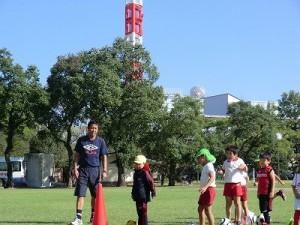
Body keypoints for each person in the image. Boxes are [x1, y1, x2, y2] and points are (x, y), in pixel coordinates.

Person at [70, 120, 108, 225]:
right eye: (92, 128)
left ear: (97, 129)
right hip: (82, 170)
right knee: (80, 194)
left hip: (95, 170)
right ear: (88, 128)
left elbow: (104, 156)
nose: (94, 130)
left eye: (95, 128)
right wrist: (75, 168)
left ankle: (93, 216)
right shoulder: (81, 140)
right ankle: (78, 218)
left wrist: (104, 170)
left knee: (94, 195)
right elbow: (76, 156)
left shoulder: (101, 141)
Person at [217, 144, 247, 225]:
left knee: (237, 203)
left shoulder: (240, 160)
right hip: (227, 185)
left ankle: (238, 220)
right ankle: (228, 220)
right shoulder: (225, 162)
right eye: (227, 153)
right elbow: (222, 171)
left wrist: (243, 166)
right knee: (228, 203)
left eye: (230, 153)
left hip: (237, 184)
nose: (228, 155)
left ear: (235, 154)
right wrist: (220, 172)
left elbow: (245, 168)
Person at [131, 155, 156, 225]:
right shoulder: (136, 174)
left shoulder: (145, 173)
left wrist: (153, 191)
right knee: (140, 214)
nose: (137, 165)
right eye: (136, 164)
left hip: (143, 197)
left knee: (143, 214)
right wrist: (132, 193)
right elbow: (135, 185)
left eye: (139, 164)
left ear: (143, 164)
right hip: (137, 197)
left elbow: (151, 182)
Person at [196, 148, 216, 225]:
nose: (198, 161)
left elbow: (212, 177)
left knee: (207, 210)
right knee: (200, 209)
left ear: (203, 156)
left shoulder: (209, 165)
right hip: (205, 190)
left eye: (198, 158)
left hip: (209, 189)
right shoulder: (205, 166)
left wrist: (205, 187)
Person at [256, 152, 275, 225]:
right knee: (262, 209)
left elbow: (273, 180)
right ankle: (266, 222)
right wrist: (258, 192)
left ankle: (267, 223)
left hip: (267, 193)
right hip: (261, 193)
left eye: (264, 160)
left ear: (269, 161)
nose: (262, 161)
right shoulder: (260, 170)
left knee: (265, 209)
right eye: (261, 160)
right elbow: (260, 183)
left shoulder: (270, 170)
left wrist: (272, 191)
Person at [292, 159, 300, 225]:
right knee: (297, 211)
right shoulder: (297, 175)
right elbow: (293, 185)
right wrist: (295, 193)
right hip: (298, 197)